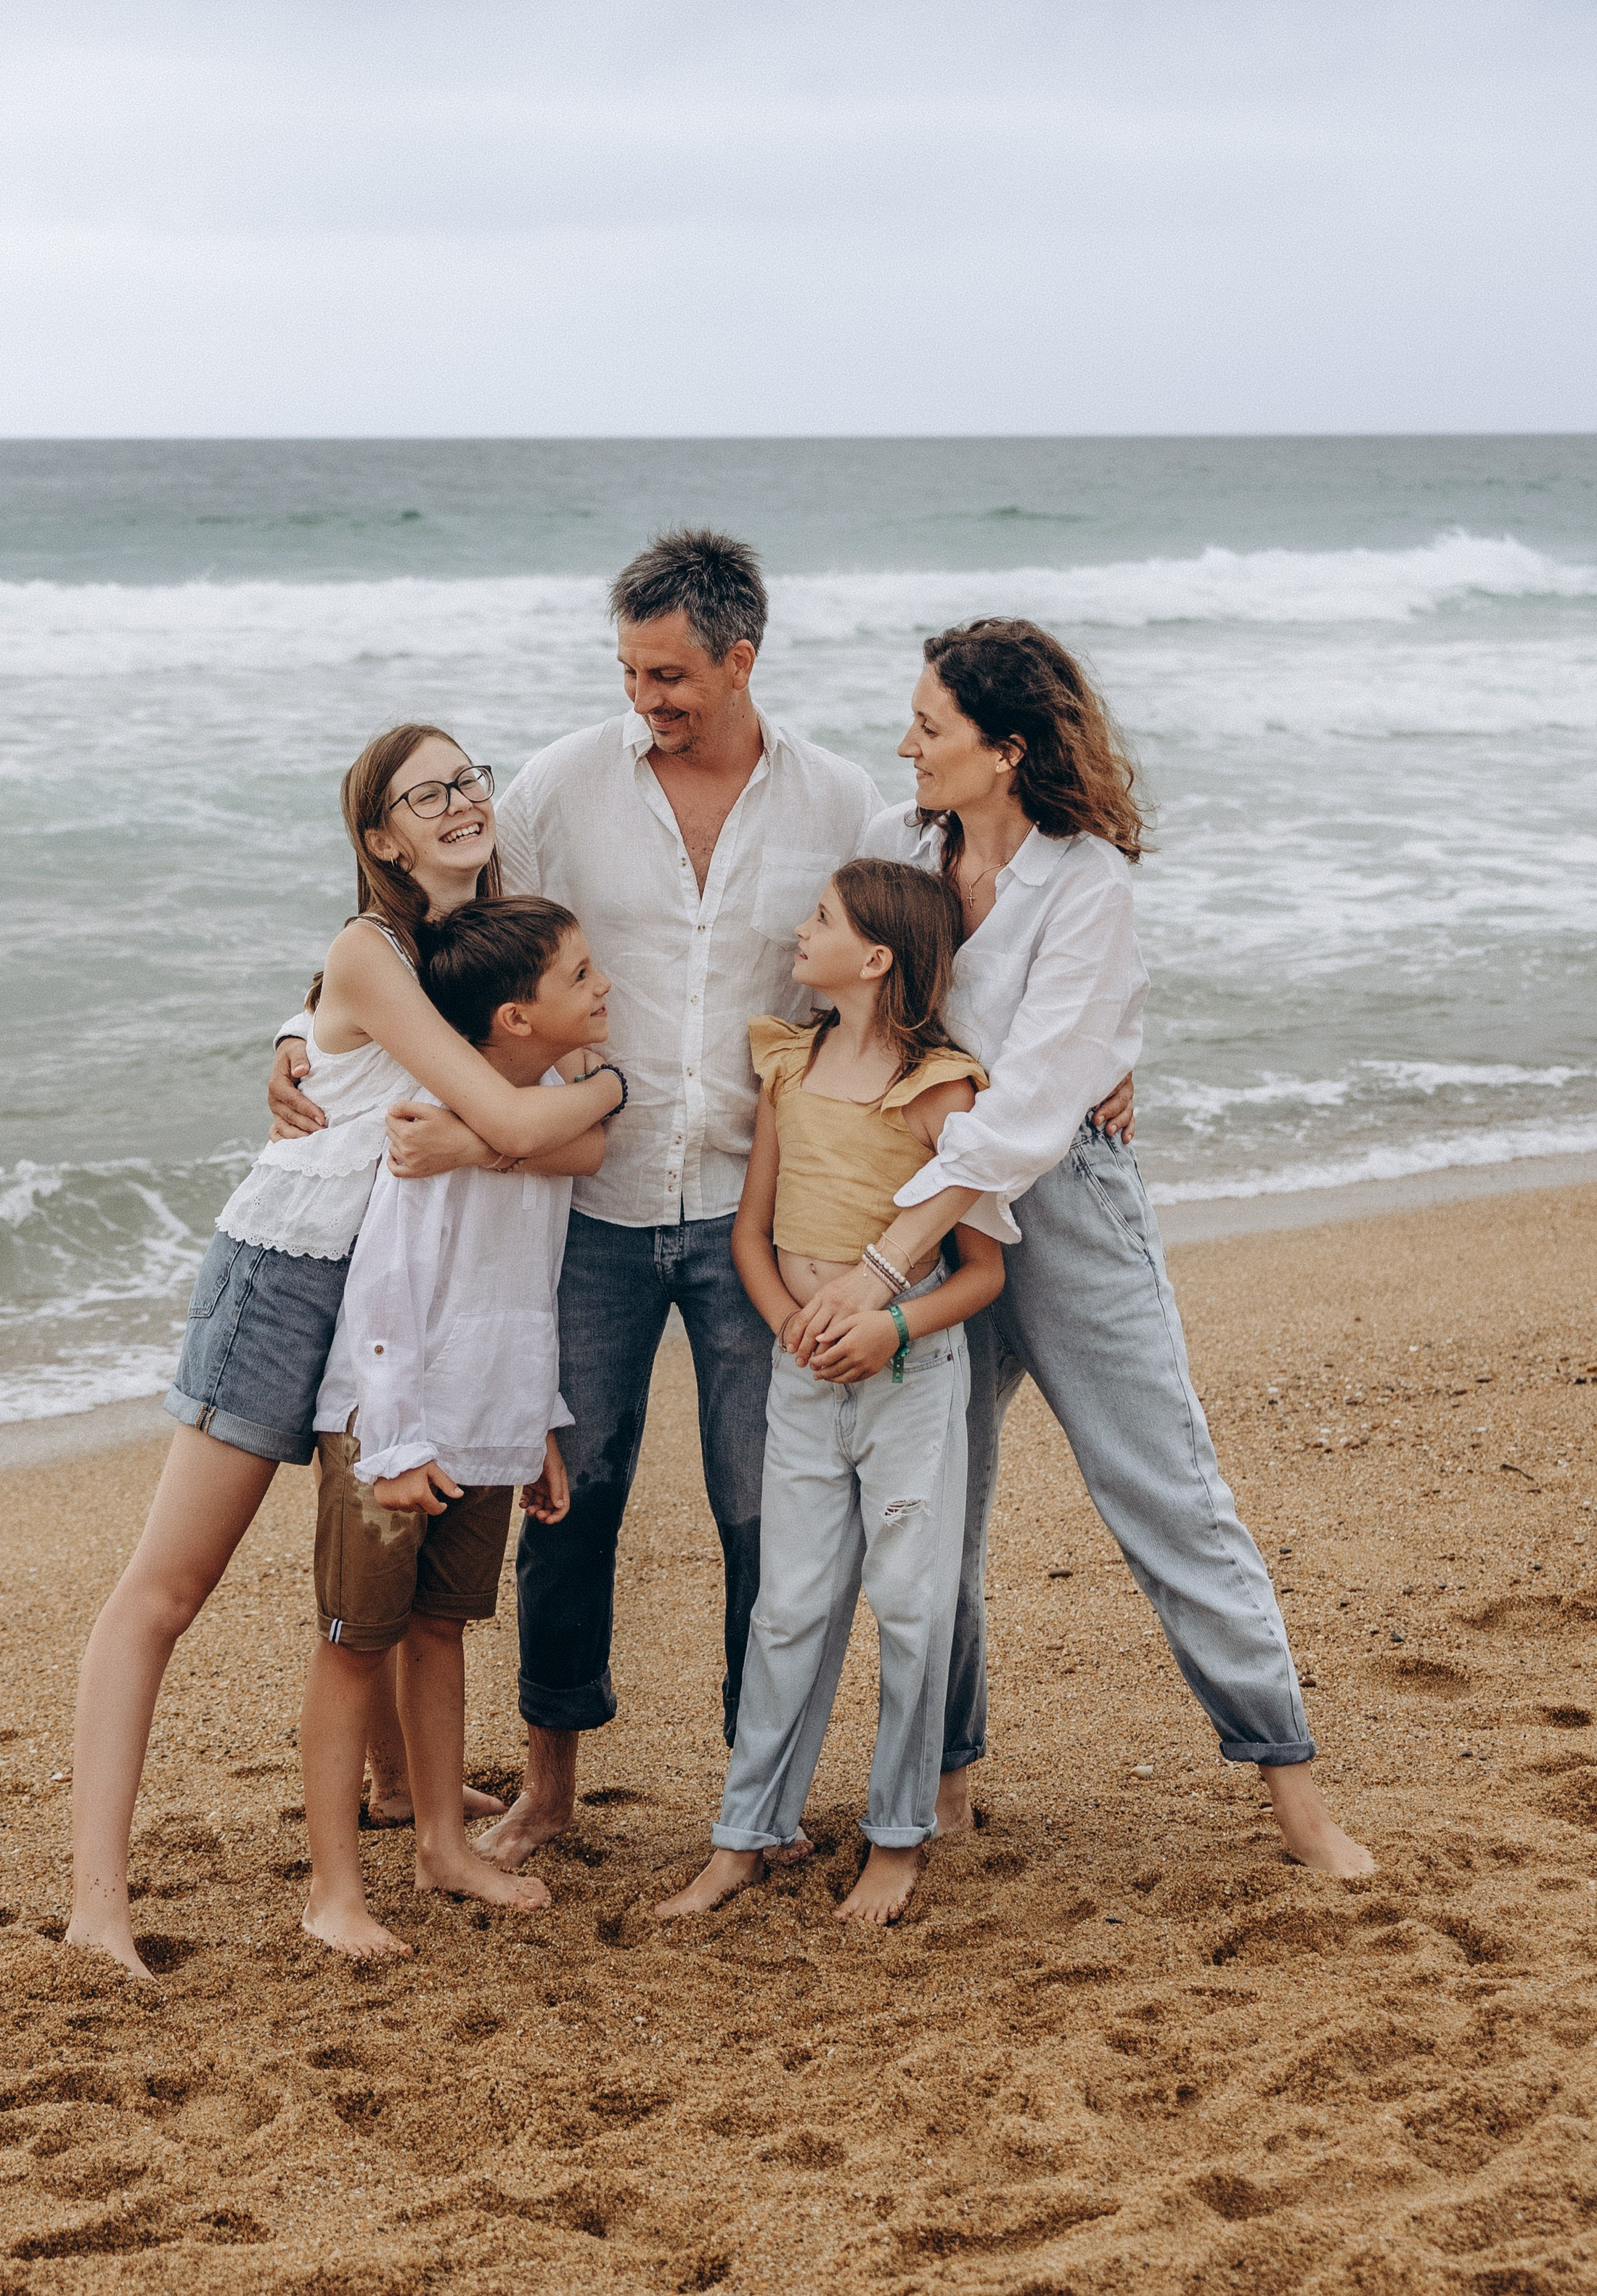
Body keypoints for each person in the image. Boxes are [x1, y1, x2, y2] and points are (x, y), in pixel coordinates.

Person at [268, 532, 1134, 1868]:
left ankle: (758, 1795)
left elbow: (938, 949)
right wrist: (298, 1027)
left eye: (670, 673)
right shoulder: (559, 785)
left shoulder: (843, 801)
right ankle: (548, 1783)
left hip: (755, 1211)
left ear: (742, 658)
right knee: (570, 1497)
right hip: (589, 1203)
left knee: (763, 1511)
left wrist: (1104, 1059)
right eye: (628, 669)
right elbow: (440, 932)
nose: (647, 697)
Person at [793, 619, 1376, 1879]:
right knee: (934, 1505)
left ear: (1005, 751)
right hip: (922, 1202)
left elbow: (1030, 1102)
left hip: (1051, 1209)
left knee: (1160, 1487)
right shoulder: (899, 847)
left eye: (930, 726)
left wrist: (888, 1262)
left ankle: (1297, 1797)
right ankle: (943, 1787)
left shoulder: (1086, 879)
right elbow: (852, 1009)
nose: (905, 743)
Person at [66, 729, 623, 1977]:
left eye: (470, 777)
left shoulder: (470, 945)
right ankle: (97, 1900)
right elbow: (506, 1112)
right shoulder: (373, 953)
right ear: (381, 836)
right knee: (169, 1588)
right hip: (288, 1273)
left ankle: (394, 1800)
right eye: (428, 794)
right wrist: (579, 1104)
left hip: (396, 1282)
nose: (464, 801)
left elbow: (532, 1133)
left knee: (388, 1556)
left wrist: (592, 1103)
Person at [656, 862, 1006, 1929]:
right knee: (788, 1609)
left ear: (878, 957)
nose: (798, 932)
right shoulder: (791, 1065)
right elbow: (749, 1232)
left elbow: (982, 1270)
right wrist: (786, 1326)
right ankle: (743, 1838)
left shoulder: (943, 1090)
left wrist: (886, 1324)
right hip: (799, 1379)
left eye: (821, 920)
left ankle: (898, 1838)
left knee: (911, 1604)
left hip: (909, 1384)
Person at [298, 899, 615, 1961]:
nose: (602, 985)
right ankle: (333, 1886)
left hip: (490, 1424)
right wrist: (390, 1444)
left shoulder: (557, 1105)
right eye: (581, 975)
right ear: (518, 1017)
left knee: (442, 1630)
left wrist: (540, 1427)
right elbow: (384, 1296)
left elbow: (527, 1294)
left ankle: (441, 1841)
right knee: (355, 1644)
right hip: (391, 1429)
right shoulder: (423, 1127)